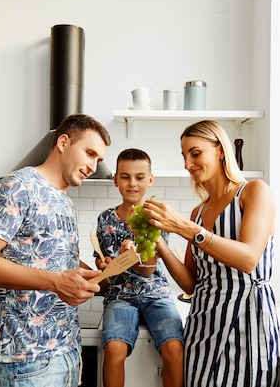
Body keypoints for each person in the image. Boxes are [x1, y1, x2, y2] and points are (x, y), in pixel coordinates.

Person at [0, 113, 111, 387]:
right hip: (27, 360)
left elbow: (49, 257)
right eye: (89, 153)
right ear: (63, 142)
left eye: (98, 160)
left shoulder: (65, 202)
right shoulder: (16, 186)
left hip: (67, 352)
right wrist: (56, 283)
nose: (92, 165)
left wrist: (90, 273)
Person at [143, 120, 279, 387]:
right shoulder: (198, 213)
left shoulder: (253, 192)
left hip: (247, 322)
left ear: (220, 150)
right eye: (184, 156)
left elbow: (249, 258)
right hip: (203, 323)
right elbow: (191, 282)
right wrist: (159, 243)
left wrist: (186, 228)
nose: (187, 163)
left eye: (195, 153)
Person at [94, 148, 184, 387]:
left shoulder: (156, 216)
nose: (132, 183)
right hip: (120, 296)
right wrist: (103, 265)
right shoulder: (105, 219)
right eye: (125, 177)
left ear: (150, 180)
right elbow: (102, 266)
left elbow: (148, 270)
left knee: (174, 348)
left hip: (156, 294)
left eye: (140, 177)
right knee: (114, 349)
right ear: (115, 180)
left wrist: (136, 256)